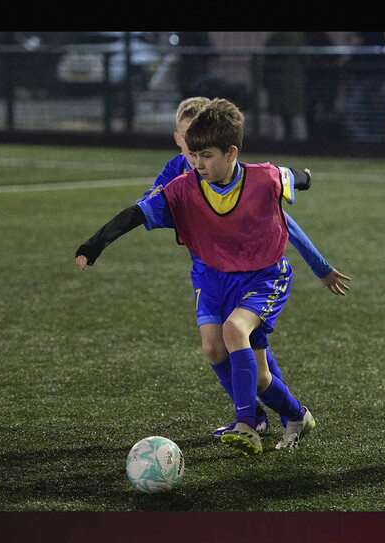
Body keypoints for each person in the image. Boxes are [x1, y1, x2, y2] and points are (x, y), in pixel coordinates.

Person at [76, 98, 330, 455]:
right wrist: (95, 243)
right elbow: (137, 211)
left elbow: (293, 178)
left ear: (231, 153)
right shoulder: (181, 185)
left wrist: (304, 178)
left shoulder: (263, 178)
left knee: (234, 332)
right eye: (192, 154)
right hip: (213, 275)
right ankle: (295, 415)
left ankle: (247, 422)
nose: (196, 163)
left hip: (264, 276)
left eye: (205, 155)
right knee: (223, 355)